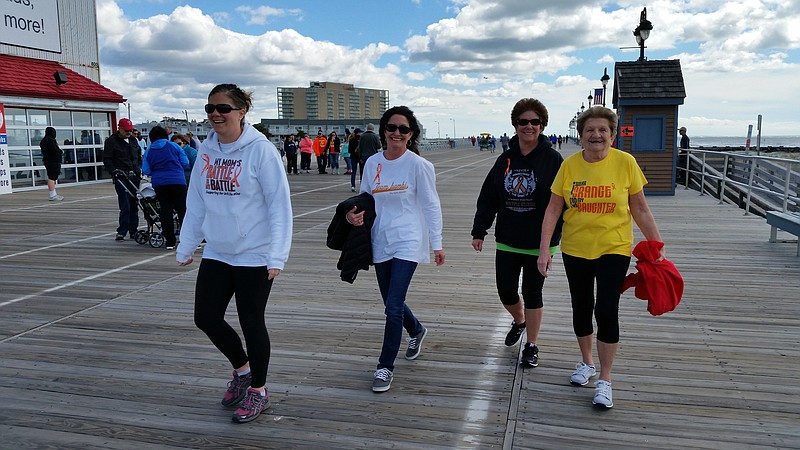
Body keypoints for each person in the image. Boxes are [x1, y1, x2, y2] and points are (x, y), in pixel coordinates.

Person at [176, 83, 292, 424]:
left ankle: (259, 391)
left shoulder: (261, 151)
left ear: (242, 112)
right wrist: (186, 245)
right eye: (210, 107)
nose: (215, 114)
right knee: (205, 317)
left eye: (223, 108)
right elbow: (196, 202)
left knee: (251, 321)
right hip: (218, 250)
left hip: (255, 254)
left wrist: (277, 255)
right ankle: (242, 370)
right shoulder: (207, 151)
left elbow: (279, 207)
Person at [537, 106, 664, 410]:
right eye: (589, 130)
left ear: (612, 134)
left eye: (602, 130)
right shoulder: (568, 166)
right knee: (582, 307)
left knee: (606, 308)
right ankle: (586, 363)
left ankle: (605, 379)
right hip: (576, 248)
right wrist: (545, 249)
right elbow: (554, 209)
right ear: (580, 136)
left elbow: (640, 208)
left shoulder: (626, 163)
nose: (596, 135)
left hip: (614, 247)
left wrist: (657, 246)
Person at [346, 106, 445, 393]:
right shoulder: (374, 163)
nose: (397, 133)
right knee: (392, 300)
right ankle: (416, 330)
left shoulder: (419, 166)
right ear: (383, 131)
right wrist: (354, 215)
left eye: (403, 129)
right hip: (381, 238)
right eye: (392, 128)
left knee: (392, 306)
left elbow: (431, 205)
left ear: (411, 134)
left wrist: (436, 243)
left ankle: (385, 366)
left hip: (409, 239)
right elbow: (365, 199)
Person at [471, 98, 564, 368]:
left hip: (540, 241)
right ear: (515, 125)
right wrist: (480, 230)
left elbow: (562, 202)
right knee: (506, 291)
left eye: (535, 122)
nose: (529, 126)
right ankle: (519, 320)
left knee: (533, 292)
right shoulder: (505, 159)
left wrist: (553, 240)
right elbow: (489, 197)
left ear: (542, 125)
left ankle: (532, 345)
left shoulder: (553, 159)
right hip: (509, 238)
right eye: (523, 121)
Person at [144, 126, 189, 250]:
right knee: (182, 210)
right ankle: (186, 239)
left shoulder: (148, 150)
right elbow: (186, 163)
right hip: (178, 181)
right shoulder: (174, 146)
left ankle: (170, 241)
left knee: (165, 210)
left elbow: (146, 170)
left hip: (160, 183)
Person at [103, 118, 142, 241]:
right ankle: (122, 230)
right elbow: (107, 159)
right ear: (119, 129)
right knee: (125, 204)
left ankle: (133, 230)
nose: (129, 133)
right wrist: (114, 171)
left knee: (134, 203)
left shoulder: (133, 140)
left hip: (134, 175)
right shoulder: (111, 141)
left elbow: (138, 156)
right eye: (126, 130)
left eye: (130, 131)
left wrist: (138, 169)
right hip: (121, 176)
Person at [39, 127, 64, 201]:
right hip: (52, 161)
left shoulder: (44, 140)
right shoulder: (49, 140)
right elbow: (54, 150)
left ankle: (53, 194)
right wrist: (61, 151)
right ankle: (52, 195)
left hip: (49, 161)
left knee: (52, 177)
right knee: (52, 178)